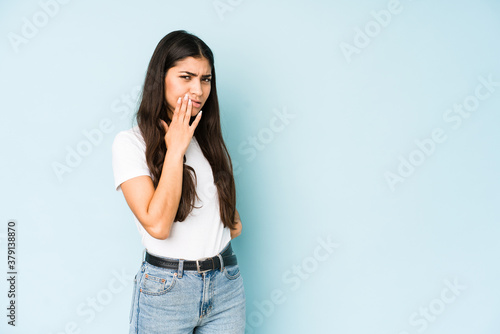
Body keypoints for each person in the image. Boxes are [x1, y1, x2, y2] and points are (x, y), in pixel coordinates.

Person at [111, 30, 246, 333]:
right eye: (186, 76)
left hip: (225, 284)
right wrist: (175, 150)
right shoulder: (131, 143)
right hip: (167, 290)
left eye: (206, 79)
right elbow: (158, 226)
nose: (197, 89)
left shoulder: (208, 141)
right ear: (162, 77)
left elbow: (234, 225)